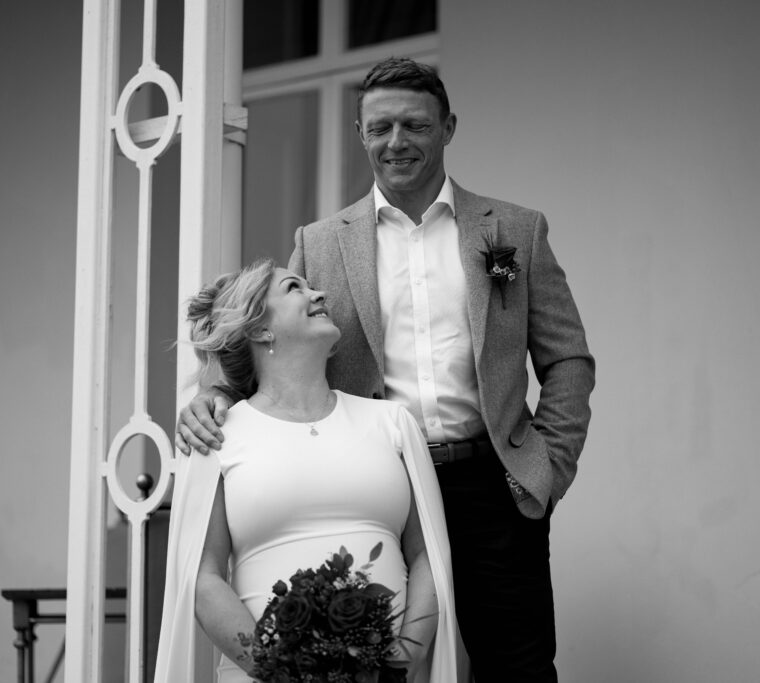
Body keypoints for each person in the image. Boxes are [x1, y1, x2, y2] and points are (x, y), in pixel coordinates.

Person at [177, 57, 595, 682]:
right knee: (384, 667)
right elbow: (266, 331)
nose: (395, 142)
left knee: (520, 667)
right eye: (379, 128)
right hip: (376, 486)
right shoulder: (320, 242)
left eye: (414, 125)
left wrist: (547, 466)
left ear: (448, 127)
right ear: (360, 133)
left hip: (492, 484)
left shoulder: (514, 230)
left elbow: (568, 359)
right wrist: (211, 393)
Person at [154, 258, 461, 683]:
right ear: (260, 329)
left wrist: (401, 662)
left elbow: (428, 556)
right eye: (294, 288)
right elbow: (203, 577)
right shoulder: (215, 437)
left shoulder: (391, 422)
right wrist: (280, 670)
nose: (319, 294)